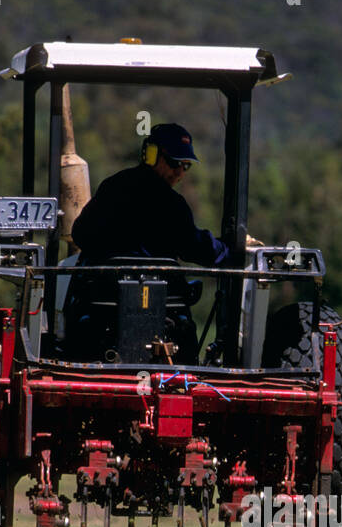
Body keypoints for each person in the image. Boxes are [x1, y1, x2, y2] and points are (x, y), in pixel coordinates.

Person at [66, 123, 261, 361]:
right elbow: (195, 247)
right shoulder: (172, 203)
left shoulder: (113, 186)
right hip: (161, 305)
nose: (179, 172)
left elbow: (80, 234)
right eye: (173, 162)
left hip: (99, 301)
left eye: (185, 165)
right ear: (150, 155)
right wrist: (231, 251)